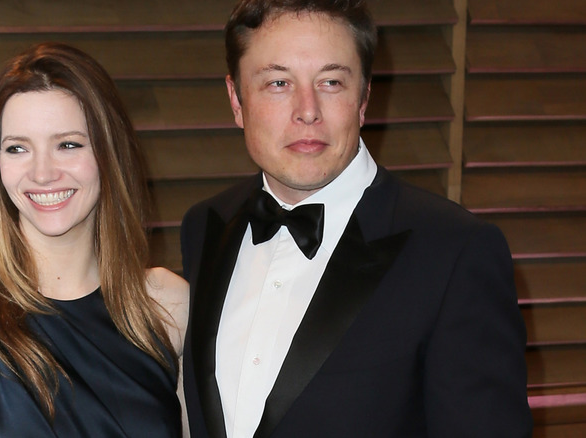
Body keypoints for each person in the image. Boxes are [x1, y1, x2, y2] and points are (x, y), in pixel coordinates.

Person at [180, 1, 533, 437]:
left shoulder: (456, 253)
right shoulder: (203, 227)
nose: (307, 110)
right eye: (277, 83)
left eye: (331, 82)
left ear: (364, 98)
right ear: (236, 100)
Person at [0, 42, 189, 437]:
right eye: (17, 148)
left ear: (109, 154)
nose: (42, 173)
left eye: (68, 144)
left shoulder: (166, 304)